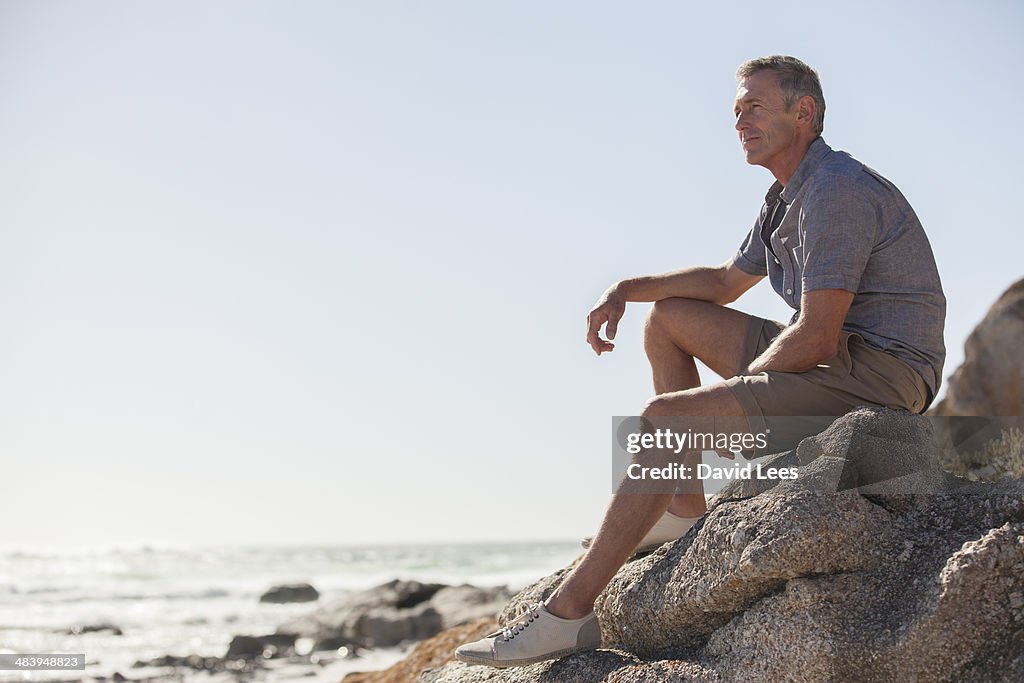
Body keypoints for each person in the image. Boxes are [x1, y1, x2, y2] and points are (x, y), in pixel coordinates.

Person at [455, 55, 946, 669]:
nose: (740, 121)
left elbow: (816, 337)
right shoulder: (783, 199)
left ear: (805, 112)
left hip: (881, 375)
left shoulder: (838, 191)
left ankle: (567, 616)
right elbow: (720, 282)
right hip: (836, 358)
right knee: (670, 318)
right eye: (737, 110)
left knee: (666, 417)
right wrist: (624, 290)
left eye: (755, 108)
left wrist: (733, 401)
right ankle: (683, 508)